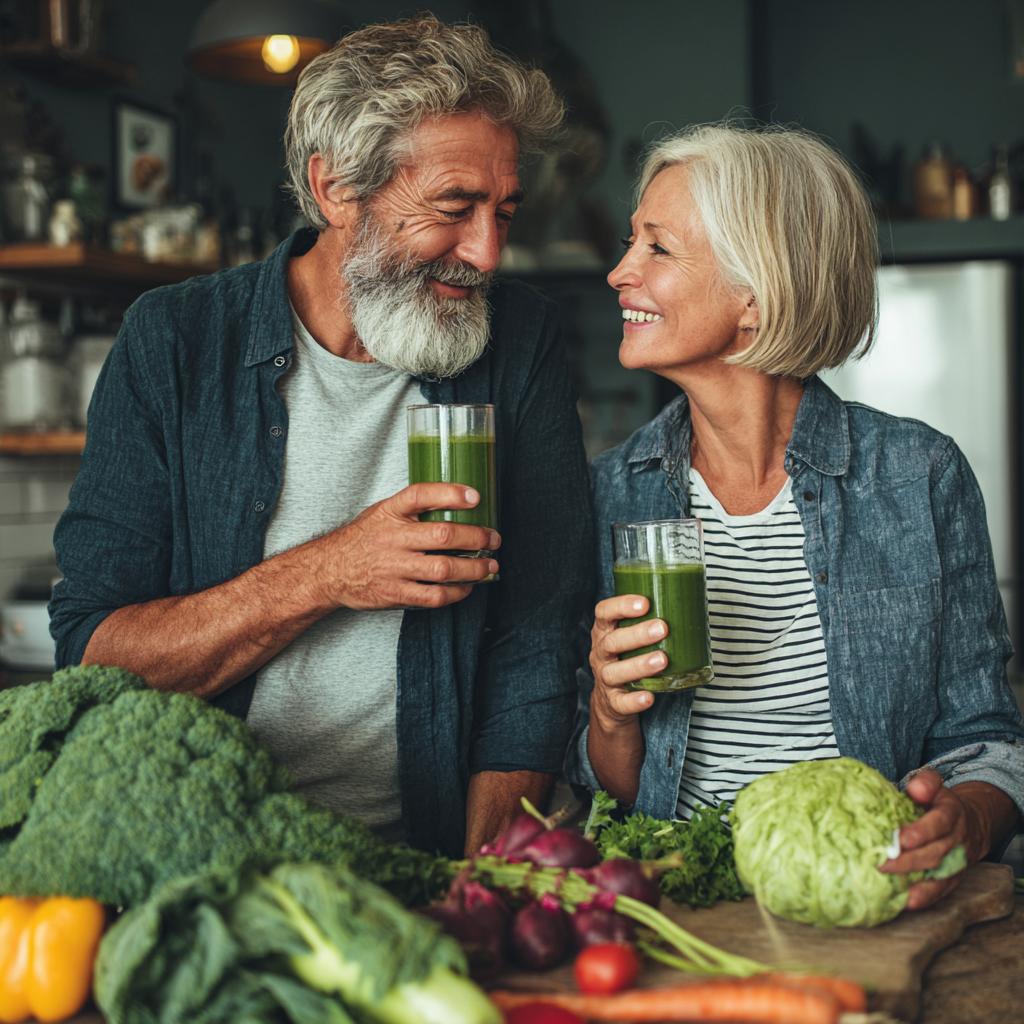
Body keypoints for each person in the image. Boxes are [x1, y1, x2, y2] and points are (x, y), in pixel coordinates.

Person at [50, 16, 594, 860]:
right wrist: (329, 572)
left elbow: (538, 639)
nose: (487, 254)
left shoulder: (517, 341)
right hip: (206, 859)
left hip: (433, 856)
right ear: (336, 187)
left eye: (504, 211)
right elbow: (94, 655)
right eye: (454, 207)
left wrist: (485, 883)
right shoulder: (174, 340)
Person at [565, 123, 1023, 910]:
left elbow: (990, 742)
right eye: (628, 242)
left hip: (867, 898)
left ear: (755, 295)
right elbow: (612, 784)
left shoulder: (918, 475)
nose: (617, 272)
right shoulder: (611, 493)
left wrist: (967, 821)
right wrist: (610, 714)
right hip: (683, 902)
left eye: (658, 248)